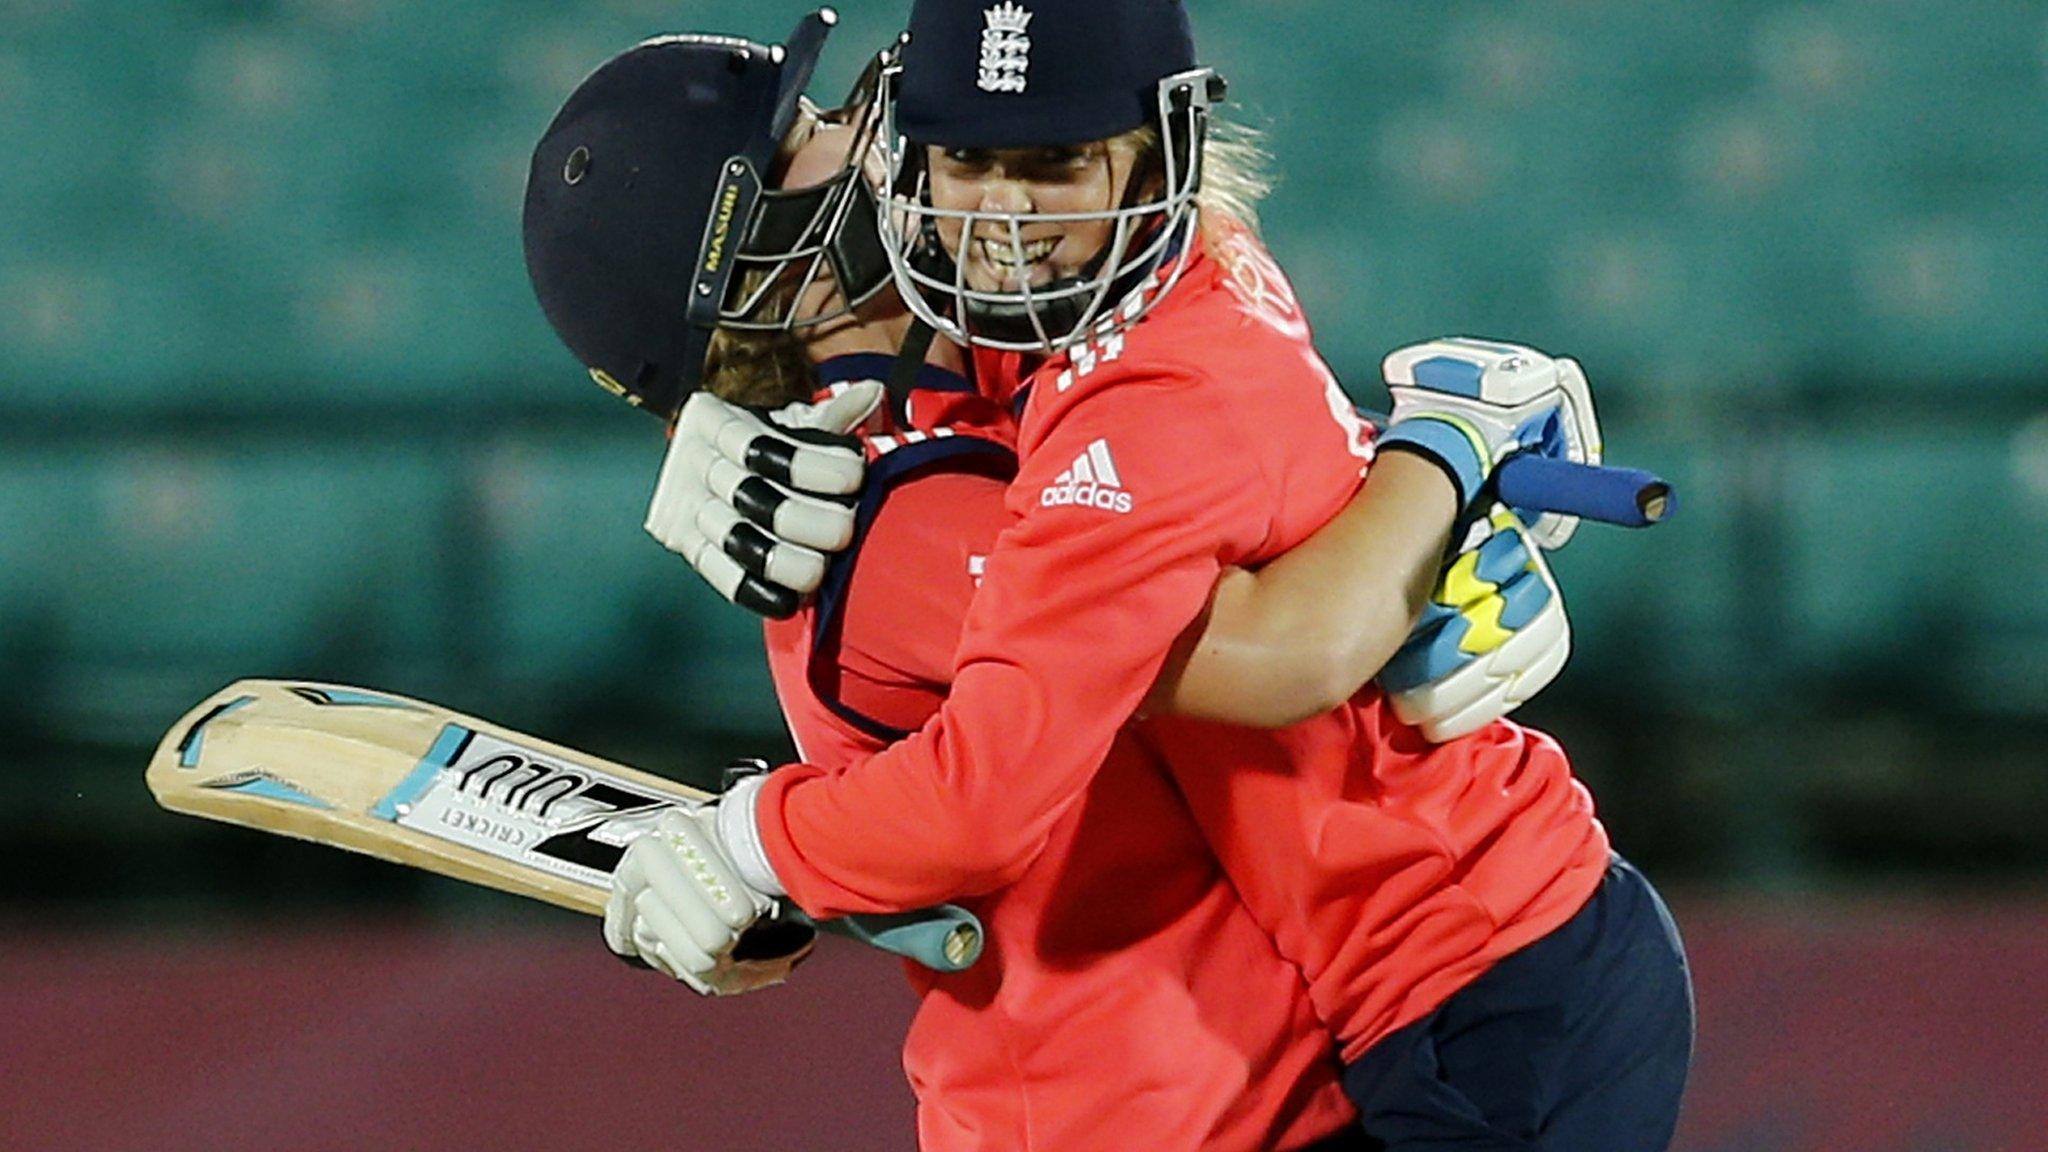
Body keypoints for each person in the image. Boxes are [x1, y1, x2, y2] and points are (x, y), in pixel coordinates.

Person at [536, 6, 1690, 1149]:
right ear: (738, 268)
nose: (860, 140)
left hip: (1456, 977)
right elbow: (1204, 644)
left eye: (1050, 160)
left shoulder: (1069, 378)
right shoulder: (964, 414)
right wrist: (1430, 470)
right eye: (807, 139)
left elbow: (1257, 642)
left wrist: (1423, 475)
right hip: (1370, 1014)